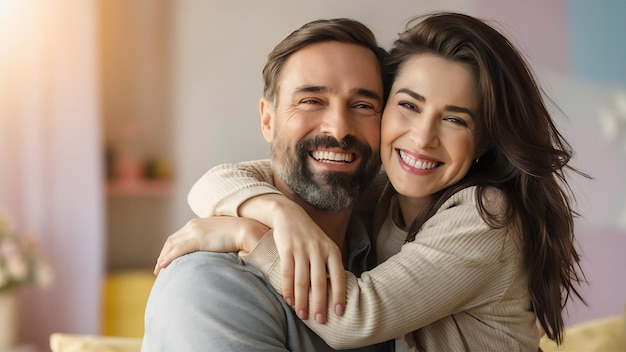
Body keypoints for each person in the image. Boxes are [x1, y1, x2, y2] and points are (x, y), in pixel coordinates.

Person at [156, 11, 588, 352]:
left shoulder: (484, 213)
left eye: (455, 119)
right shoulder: (387, 193)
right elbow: (220, 179)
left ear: (485, 139)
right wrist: (278, 212)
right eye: (408, 105)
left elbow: (356, 318)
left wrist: (250, 233)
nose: (422, 137)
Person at [141, 17, 394, 352]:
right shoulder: (210, 282)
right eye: (311, 101)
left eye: (363, 105)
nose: (338, 129)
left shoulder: (389, 252)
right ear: (268, 120)